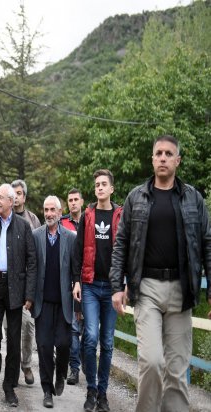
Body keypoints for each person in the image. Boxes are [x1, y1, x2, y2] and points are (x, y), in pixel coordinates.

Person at [110, 135, 211, 412]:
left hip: (182, 290)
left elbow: (207, 244)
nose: (163, 158)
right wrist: (117, 286)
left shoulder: (193, 198)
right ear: (152, 159)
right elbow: (121, 243)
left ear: (178, 160)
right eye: (158, 153)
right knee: (152, 362)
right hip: (147, 288)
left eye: (168, 153)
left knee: (177, 369)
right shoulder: (137, 197)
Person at [0, 183, 37, 407]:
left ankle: (9, 387)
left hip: (16, 288)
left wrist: (29, 294)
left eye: (1, 198)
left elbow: (31, 261)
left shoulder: (24, 226)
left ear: (11, 202)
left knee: (14, 341)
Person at [72, 169, 122, 412]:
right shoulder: (88, 215)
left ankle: (103, 393)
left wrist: (124, 285)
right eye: (97, 185)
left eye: (104, 184)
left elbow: (126, 251)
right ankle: (91, 390)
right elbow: (78, 250)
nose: (100, 187)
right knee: (90, 337)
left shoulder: (121, 215)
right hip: (90, 285)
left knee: (108, 342)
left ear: (111, 189)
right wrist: (76, 281)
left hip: (112, 288)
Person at [32, 196, 77, 408]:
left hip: (63, 303)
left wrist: (78, 302)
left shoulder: (70, 238)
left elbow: (76, 271)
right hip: (42, 303)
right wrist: (28, 297)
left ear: (60, 213)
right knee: (44, 347)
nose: (49, 214)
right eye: (46, 210)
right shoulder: (35, 236)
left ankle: (61, 374)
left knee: (64, 344)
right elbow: (31, 268)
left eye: (52, 210)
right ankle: (47, 390)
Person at [11, 179, 40, 386]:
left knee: (28, 326)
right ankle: (12, 366)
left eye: (19, 193)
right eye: (13, 194)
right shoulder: (3, 218)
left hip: (27, 284)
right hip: (8, 285)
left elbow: (36, 254)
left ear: (24, 197)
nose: (15, 197)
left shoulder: (33, 220)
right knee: (10, 330)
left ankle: (26, 364)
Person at [60, 188, 84, 386]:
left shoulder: (90, 221)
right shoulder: (62, 223)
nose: (73, 202)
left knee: (90, 329)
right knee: (74, 328)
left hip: (89, 280)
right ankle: (74, 368)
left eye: (76, 199)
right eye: (70, 200)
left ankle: (86, 363)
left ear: (82, 202)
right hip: (69, 281)